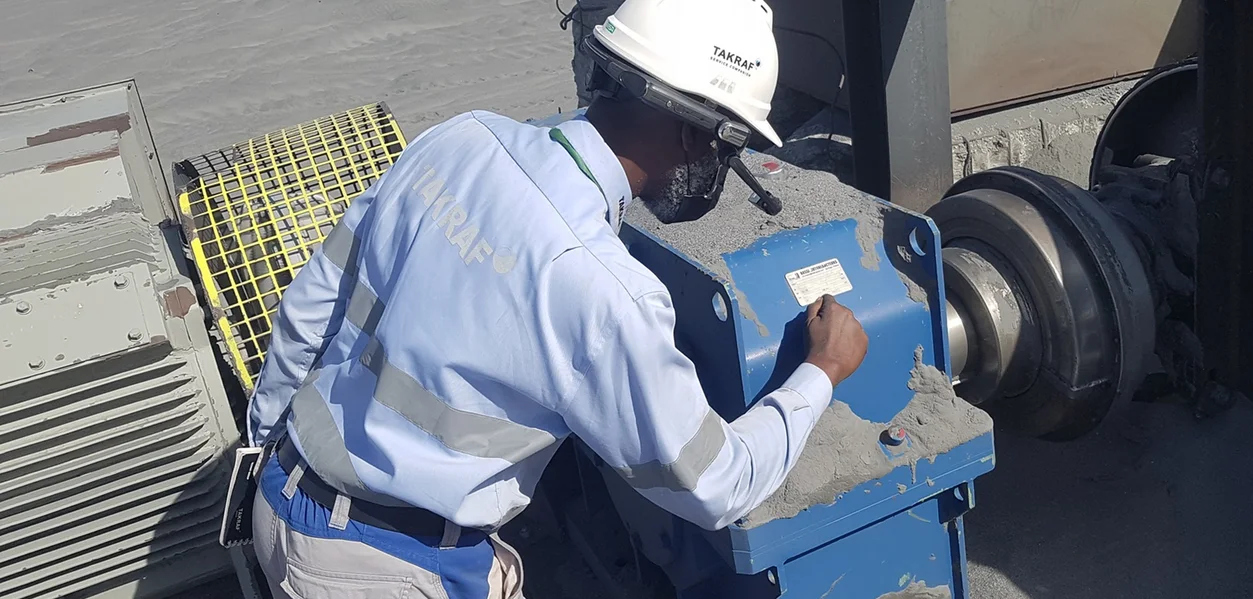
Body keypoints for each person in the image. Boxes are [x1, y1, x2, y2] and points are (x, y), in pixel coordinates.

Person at [244, 0, 869, 596]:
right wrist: (821, 372)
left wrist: (261, 449)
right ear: (692, 134)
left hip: (281, 492)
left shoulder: (459, 139)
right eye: (726, 147)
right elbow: (717, 484)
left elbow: (312, 306)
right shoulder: (606, 293)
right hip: (390, 571)